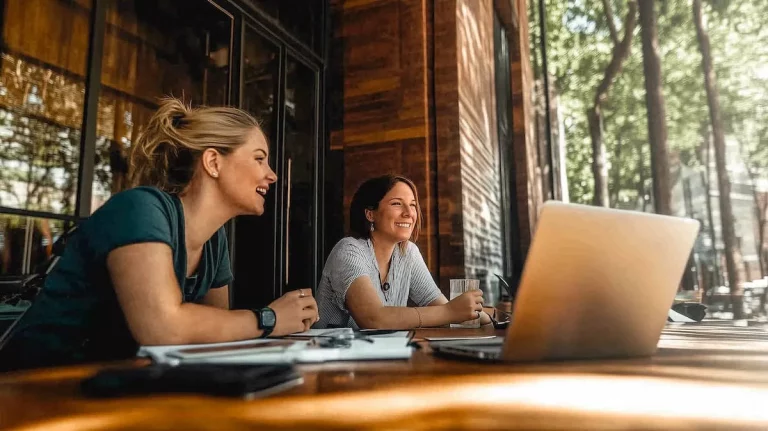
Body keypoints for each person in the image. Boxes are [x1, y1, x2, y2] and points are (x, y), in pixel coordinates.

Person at [0, 97, 319, 370]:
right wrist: (269, 319)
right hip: (35, 390)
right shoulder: (140, 209)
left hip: (114, 391)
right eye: (259, 159)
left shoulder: (214, 240)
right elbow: (163, 327)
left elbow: (210, 337)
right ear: (213, 162)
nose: (273, 175)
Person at [314, 174, 492, 329]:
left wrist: (487, 317)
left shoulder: (408, 253)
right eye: (397, 204)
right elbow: (374, 318)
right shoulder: (348, 251)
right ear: (370, 214)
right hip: (331, 359)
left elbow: (445, 310)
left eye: (413, 205)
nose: (409, 213)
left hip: (378, 357)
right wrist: (450, 311)